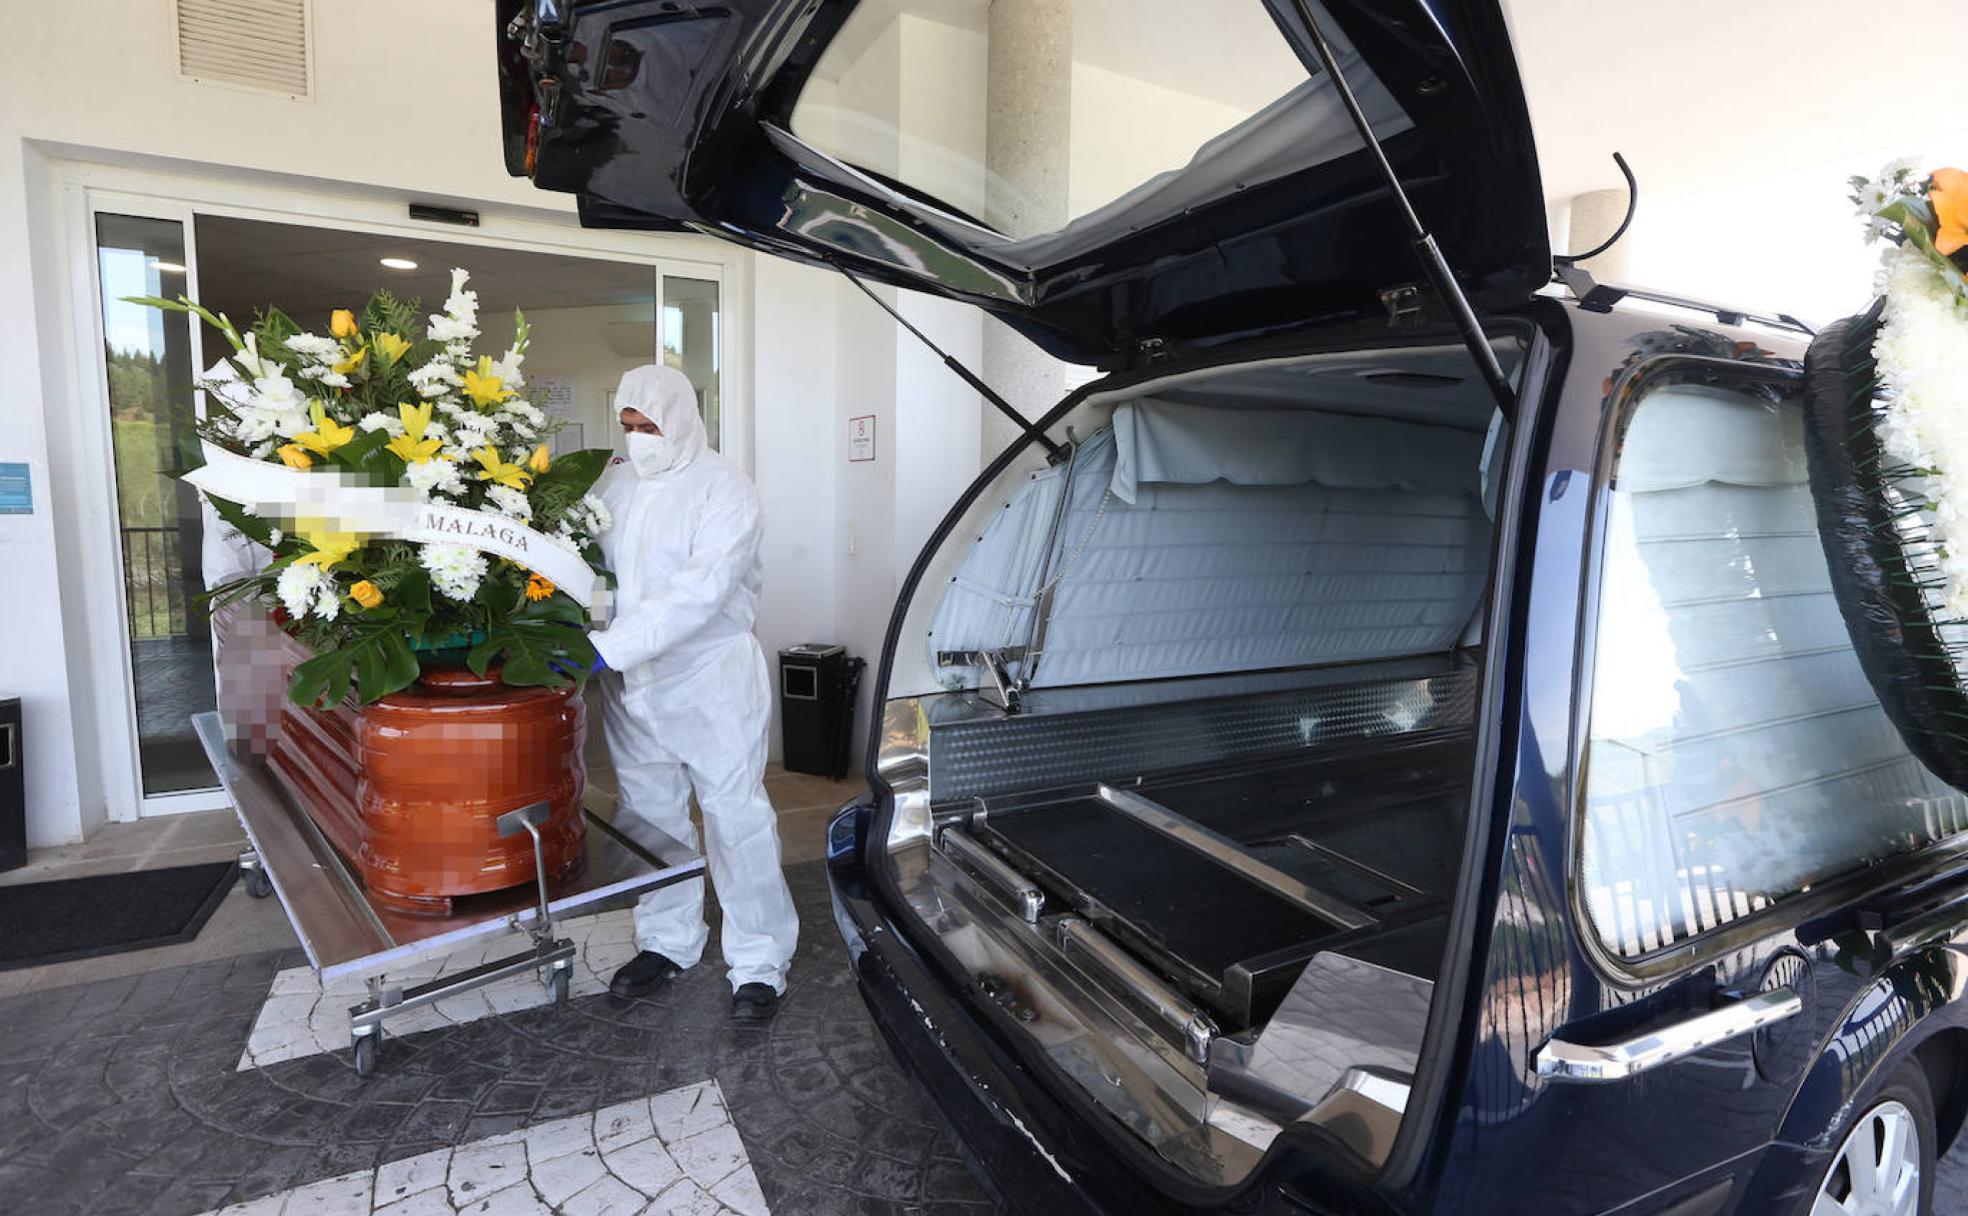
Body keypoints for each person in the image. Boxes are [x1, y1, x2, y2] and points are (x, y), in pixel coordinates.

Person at [588, 364, 799, 1021]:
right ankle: (668, 940)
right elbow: (598, 574)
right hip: (633, 682)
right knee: (651, 816)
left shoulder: (725, 488)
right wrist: (590, 626)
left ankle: (760, 962)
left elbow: (701, 591)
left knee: (735, 818)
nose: (638, 438)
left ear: (680, 420)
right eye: (628, 425)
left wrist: (610, 646)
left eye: (649, 426)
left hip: (708, 678)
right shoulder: (616, 483)